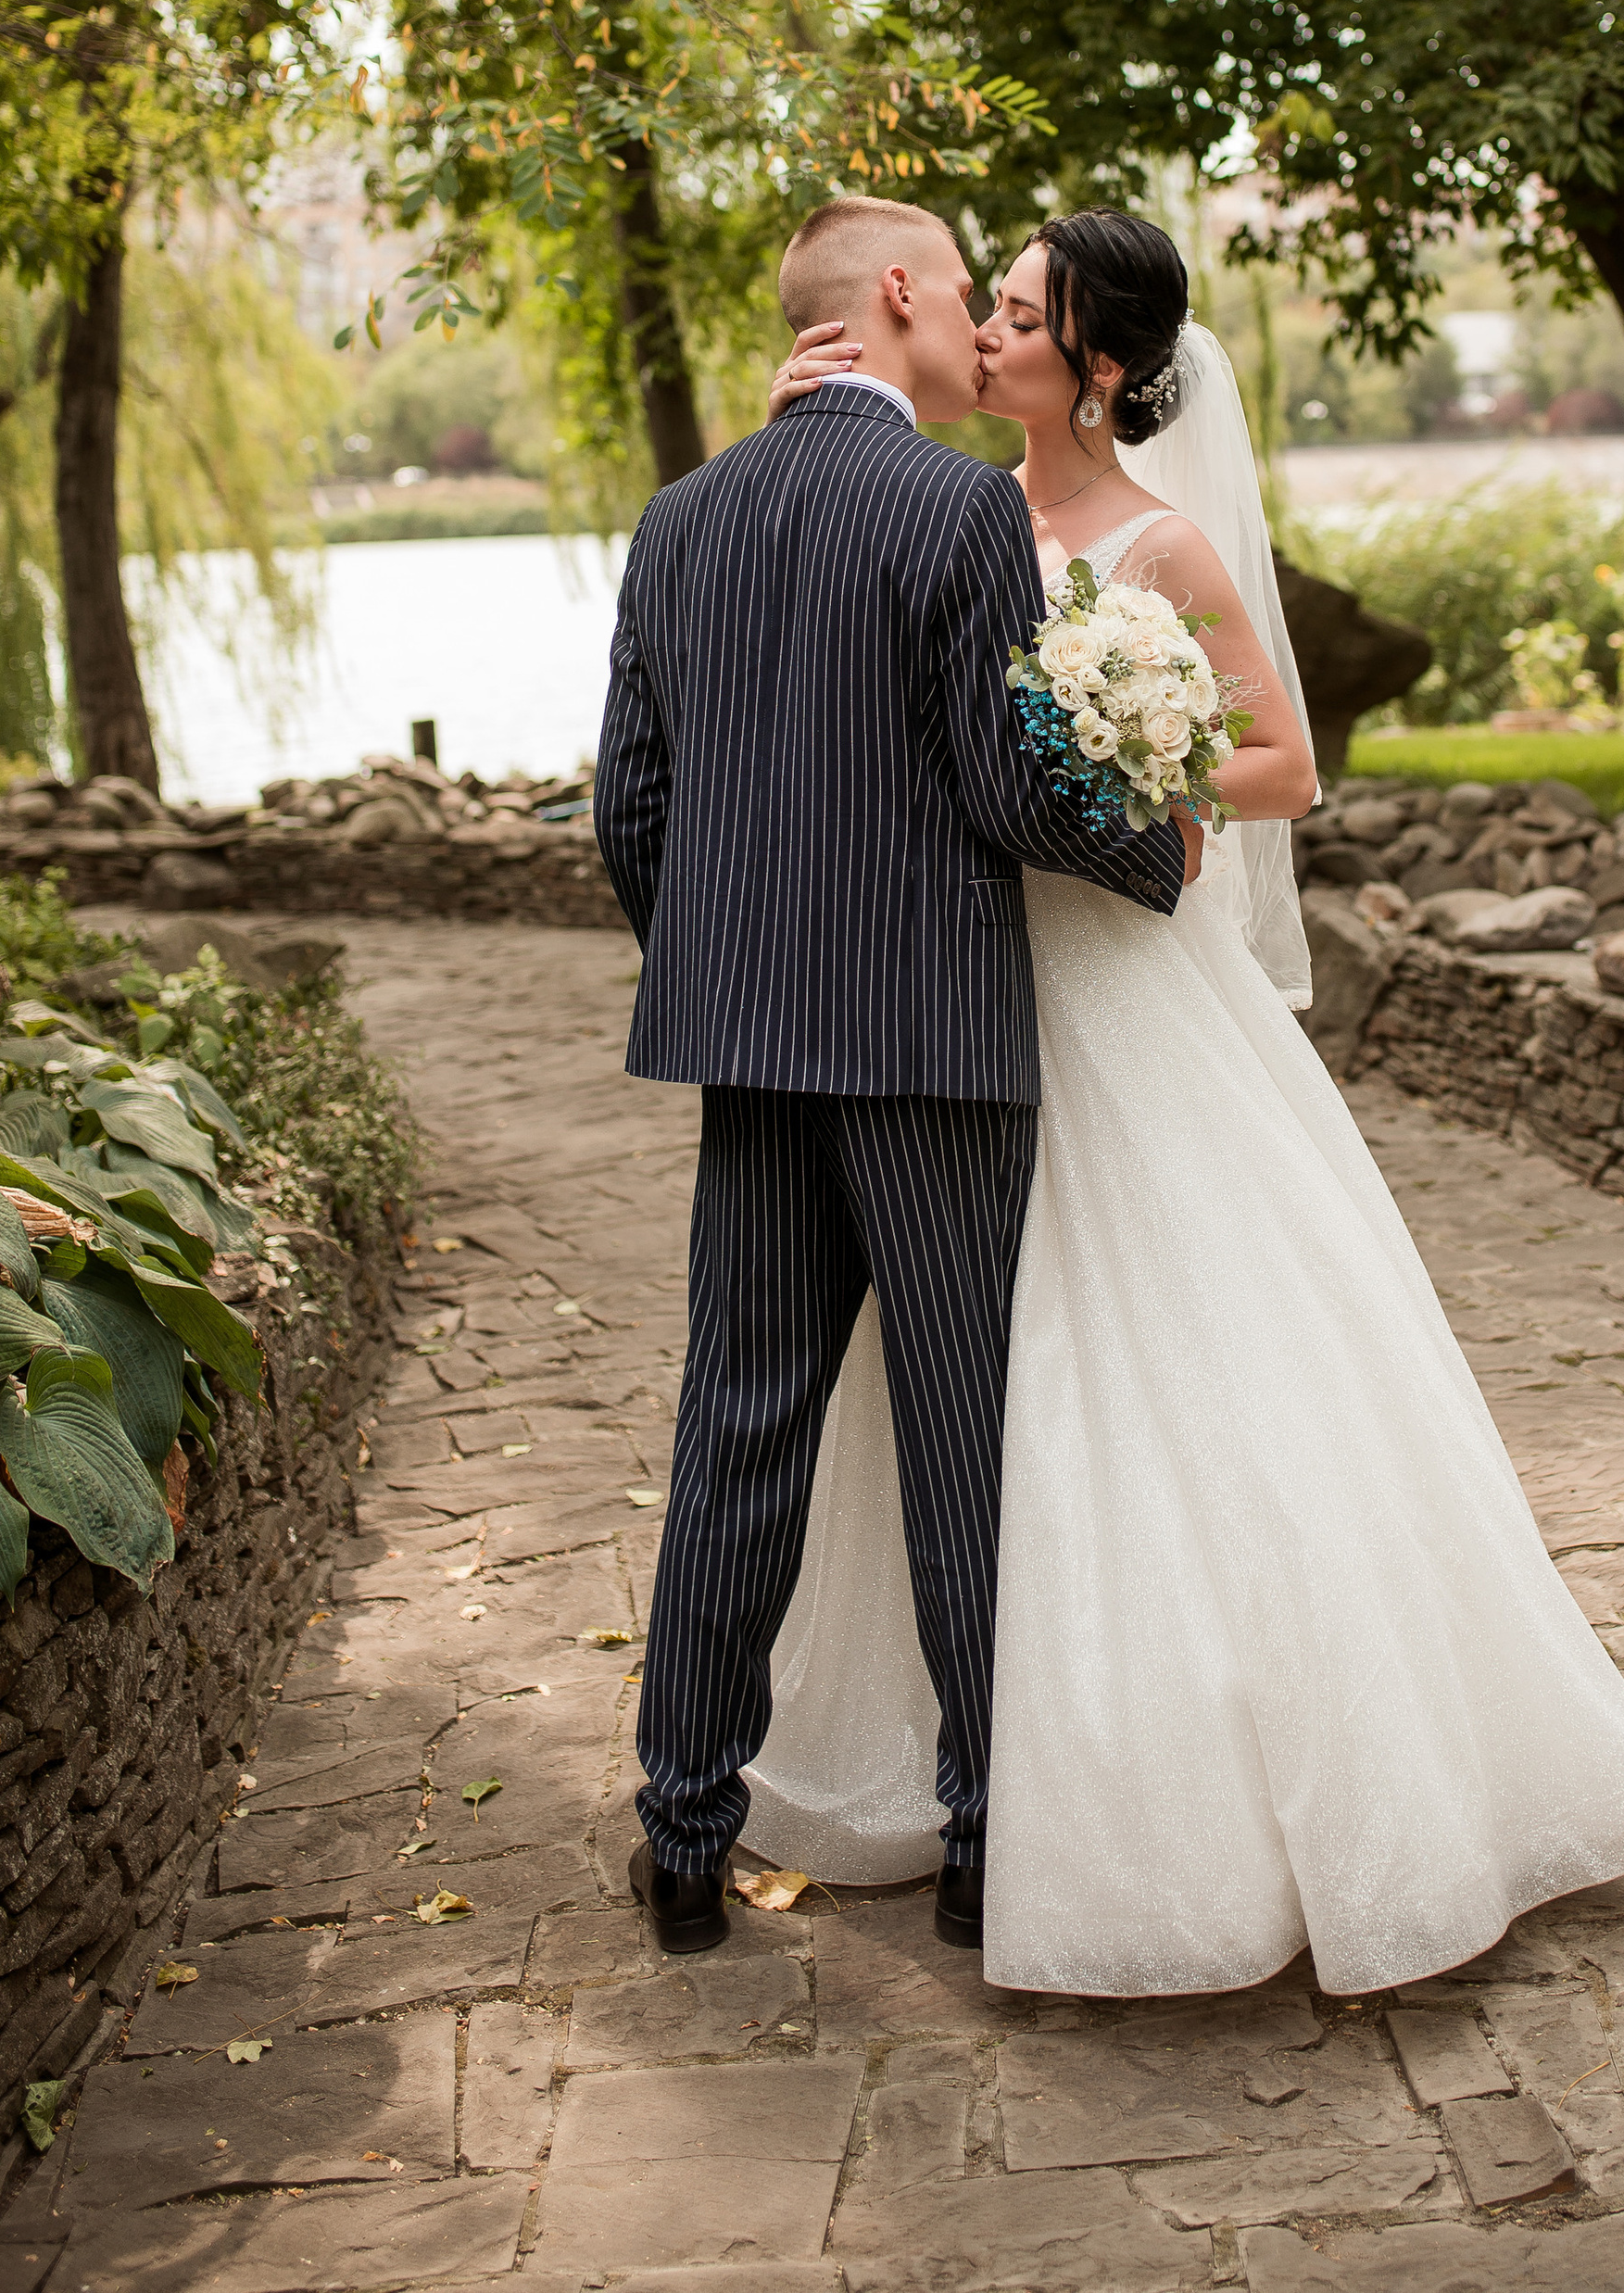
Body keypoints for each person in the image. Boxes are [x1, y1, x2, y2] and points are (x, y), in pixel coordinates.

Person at [742, 208, 1624, 1995]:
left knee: (1181, 1345)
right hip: (962, 989)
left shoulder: (1160, 542)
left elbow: (1287, 765)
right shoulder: (944, 513)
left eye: (1023, 315)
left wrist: (1140, 751)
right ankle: (978, 1760)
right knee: (967, 1372)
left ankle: (1250, 1784)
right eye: (993, 303)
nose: (993, 330)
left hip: (1119, 979)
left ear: (1099, 368)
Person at [591, 195, 1187, 1962]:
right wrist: (1152, 850)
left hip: (751, 1056)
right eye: (963, 275)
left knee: (737, 1425)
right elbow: (1005, 788)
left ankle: (684, 1836)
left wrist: (728, 968)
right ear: (906, 295)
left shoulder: (678, 522)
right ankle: (987, 1850)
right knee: (961, 1446)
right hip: (933, 1056)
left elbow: (633, 809)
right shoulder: (955, 512)